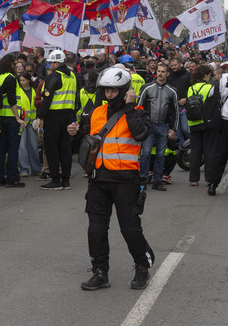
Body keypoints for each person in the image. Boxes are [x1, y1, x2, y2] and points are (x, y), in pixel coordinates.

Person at [69, 67, 155, 291]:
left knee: (130, 228)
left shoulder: (136, 111)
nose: (108, 94)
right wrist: (76, 131)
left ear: (125, 91)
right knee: (95, 229)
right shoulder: (97, 112)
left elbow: (141, 134)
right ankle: (100, 272)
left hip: (126, 180)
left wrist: (129, 107)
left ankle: (142, 266)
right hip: (98, 179)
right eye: (106, 90)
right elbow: (89, 139)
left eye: (113, 91)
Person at [37, 50, 78, 190]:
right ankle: (65, 180)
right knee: (65, 148)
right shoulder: (72, 75)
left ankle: (55, 180)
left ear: (56, 63)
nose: (49, 65)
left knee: (51, 148)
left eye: (51, 63)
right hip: (68, 116)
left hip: (54, 116)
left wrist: (39, 116)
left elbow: (47, 98)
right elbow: (75, 97)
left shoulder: (54, 76)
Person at [136, 63, 180, 191]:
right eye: (159, 71)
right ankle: (142, 180)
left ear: (167, 74)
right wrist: (141, 125)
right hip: (149, 125)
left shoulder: (172, 91)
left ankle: (157, 180)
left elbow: (176, 112)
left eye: (163, 72)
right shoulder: (146, 87)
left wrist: (174, 129)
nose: (160, 74)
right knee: (146, 153)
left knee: (161, 154)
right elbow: (139, 108)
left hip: (163, 126)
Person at [0, 53, 27, 187]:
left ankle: (0, 177)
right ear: (10, 65)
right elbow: (12, 100)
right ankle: (12, 178)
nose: (16, 66)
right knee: (13, 148)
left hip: (0, 117)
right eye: (15, 64)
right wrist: (18, 118)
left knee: (2, 148)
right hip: (12, 118)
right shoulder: (11, 78)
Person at [185, 65, 216, 188]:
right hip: (206, 123)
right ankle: (209, 178)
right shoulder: (210, 88)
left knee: (195, 152)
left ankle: (193, 178)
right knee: (208, 152)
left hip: (193, 123)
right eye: (209, 75)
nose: (210, 77)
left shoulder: (190, 89)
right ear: (205, 75)